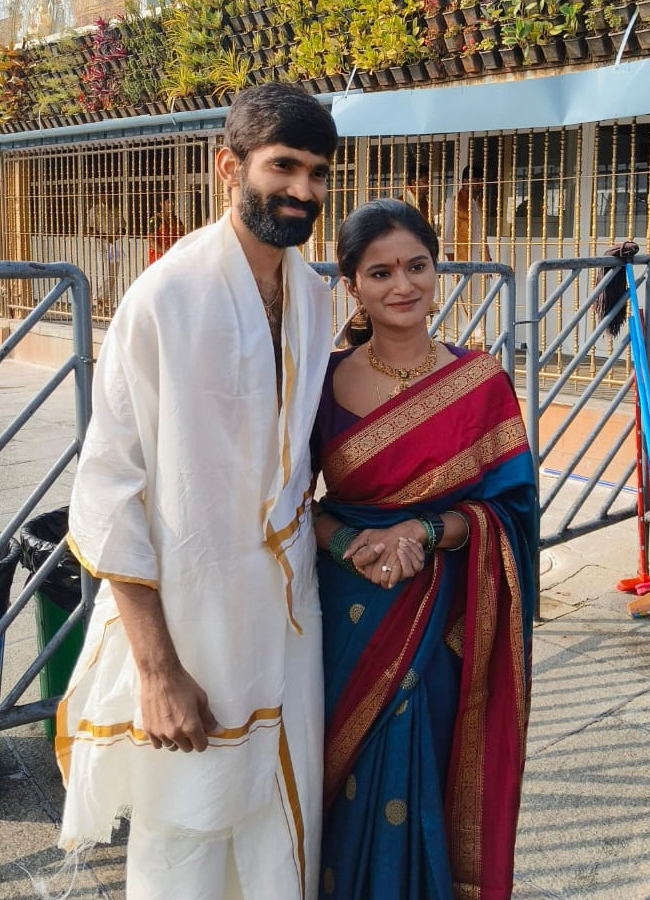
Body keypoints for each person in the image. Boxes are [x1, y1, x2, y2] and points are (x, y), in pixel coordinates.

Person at [56, 83, 339, 900]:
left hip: (289, 614)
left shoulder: (316, 298)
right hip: (192, 619)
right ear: (229, 167)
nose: (303, 191)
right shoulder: (162, 300)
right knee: (188, 828)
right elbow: (109, 493)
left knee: (287, 821)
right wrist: (155, 671)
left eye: (319, 173)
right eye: (284, 167)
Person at [311, 199, 538, 900]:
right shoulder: (319, 383)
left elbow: (512, 509)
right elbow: (284, 506)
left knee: (425, 762)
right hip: (346, 610)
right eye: (380, 272)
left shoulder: (480, 382)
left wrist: (425, 530)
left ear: (436, 269)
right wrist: (351, 540)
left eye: (417, 266)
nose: (402, 286)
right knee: (343, 785)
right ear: (352, 284)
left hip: (442, 611)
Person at [443, 165, 491, 340]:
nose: (478, 183)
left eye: (480, 180)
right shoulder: (453, 203)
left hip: (478, 260)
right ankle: (456, 337)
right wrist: (455, 264)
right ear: (464, 181)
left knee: (478, 299)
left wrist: (487, 257)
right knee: (459, 300)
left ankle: (476, 336)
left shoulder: (477, 203)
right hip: (460, 260)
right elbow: (448, 236)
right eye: (475, 180)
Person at [86, 186, 127, 314]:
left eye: (108, 194)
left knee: (113, 273)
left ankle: (108, 303)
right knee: (104, 271)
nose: (106, 196)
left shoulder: (115, 210)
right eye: (103, 194)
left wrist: (117, 235)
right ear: (98, 196)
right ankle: (97, 299)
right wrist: (106, 236)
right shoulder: (94, 211)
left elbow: (123, 227)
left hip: (113, 243)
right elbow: (89, 230)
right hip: (101, 243)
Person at [147, 196, 185, 265]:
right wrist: (165, 252)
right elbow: (151, 241)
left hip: (173, 258)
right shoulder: (155, 220)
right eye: (169, 202)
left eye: (173, 201)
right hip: (159, 259)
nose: (173, 204)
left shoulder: (176, 220)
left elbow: (183, 237)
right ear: (162, 204)